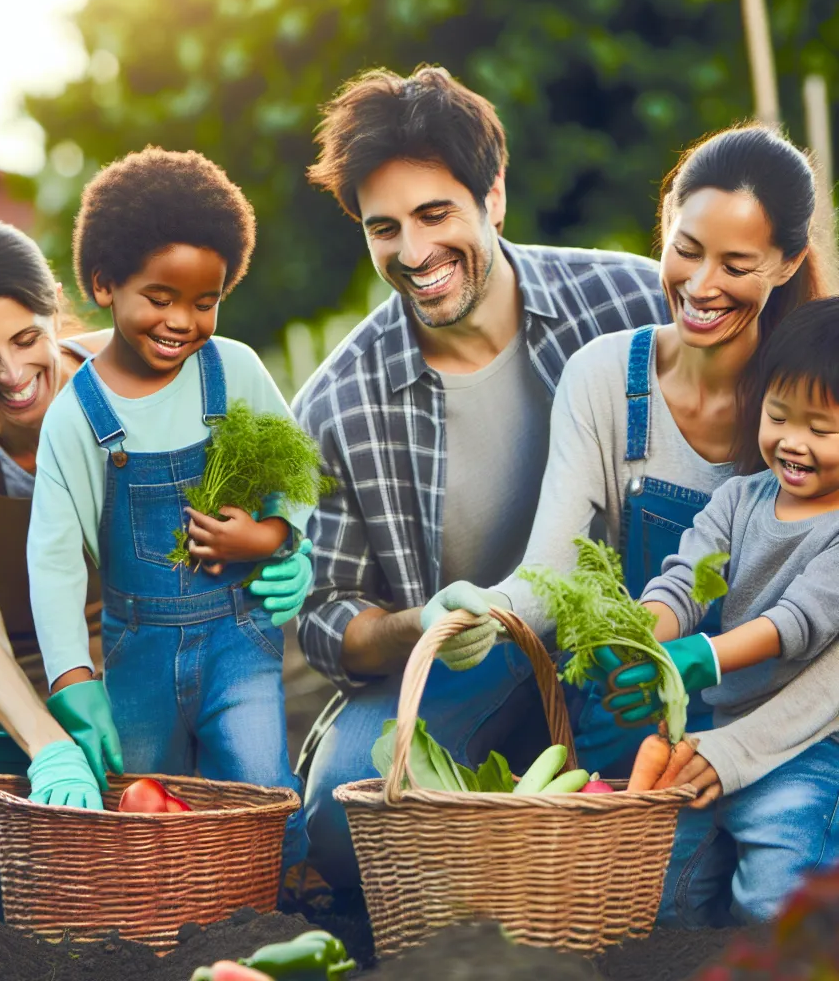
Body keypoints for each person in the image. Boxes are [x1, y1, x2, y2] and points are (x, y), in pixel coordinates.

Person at [422, 123, 833, 922]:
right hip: (640, 718)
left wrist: (731, 737)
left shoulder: (819, 402)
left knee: (776, 900)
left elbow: (818, 629)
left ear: (785, 264)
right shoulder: (609, 378)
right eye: (687, 248)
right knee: (647, 917)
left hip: (790, 731)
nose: (702, 283)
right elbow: (558, 574)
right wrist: (488, 609)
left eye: (737, 265)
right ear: (666, 225)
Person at [292, 65, 672, 891]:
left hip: (642, 633)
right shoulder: (336, 404)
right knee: (337, 811)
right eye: (384, 227)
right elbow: (325, 616)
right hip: (470, 665)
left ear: (493, 195)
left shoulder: (628, 301)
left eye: (436, 214)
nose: (416, 252)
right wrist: (417, 625)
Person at [0, 218, 313, 813]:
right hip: (28, 665)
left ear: (55, 311)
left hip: (175, 622)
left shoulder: (138, 363)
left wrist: (287, 542)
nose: (12, 375)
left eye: (25, 339)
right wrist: (49, 747)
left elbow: (262, 457)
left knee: (286, 674)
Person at [27, 147, 309, 864]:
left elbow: (298, 474)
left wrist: (273, 537)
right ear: (105, 284)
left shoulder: (234, 370)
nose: (182, 321)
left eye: (204, 301)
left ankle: (286, 909)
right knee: (139, 801)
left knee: (262, 788)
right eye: (160, 297)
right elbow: (56, 558)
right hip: (137, 648)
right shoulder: (77, 415)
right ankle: (159, 923)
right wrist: (70, 676)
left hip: (237, 637)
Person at [596, 297, 839, 924]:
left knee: (773, 902)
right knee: (661, 896)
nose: (793, 442)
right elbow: (685, 582)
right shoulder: (739, 499)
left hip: (808, 752)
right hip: (713, 727)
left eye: (821, 429)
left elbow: (797, 621)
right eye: (779, 416)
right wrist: (647, 636)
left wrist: (701, 656)